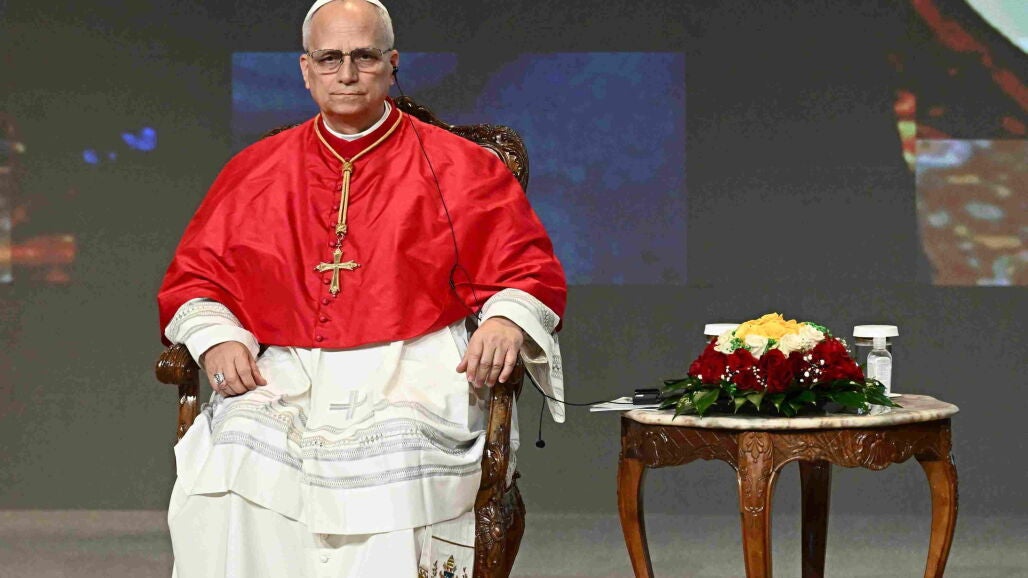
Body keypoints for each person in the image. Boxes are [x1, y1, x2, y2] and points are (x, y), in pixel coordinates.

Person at [156, 1, 567, 576]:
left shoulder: (461, 165)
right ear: (306, 69)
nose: (346, 74)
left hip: (414, 363)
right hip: (290, 367)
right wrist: (217, 337)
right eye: (329, 58)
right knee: (232, 455)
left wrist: (503, 320)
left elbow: (527, 266)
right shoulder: (256, 168)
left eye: (364, 57)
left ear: (391, 64)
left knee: (398, 468)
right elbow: (197, 274)